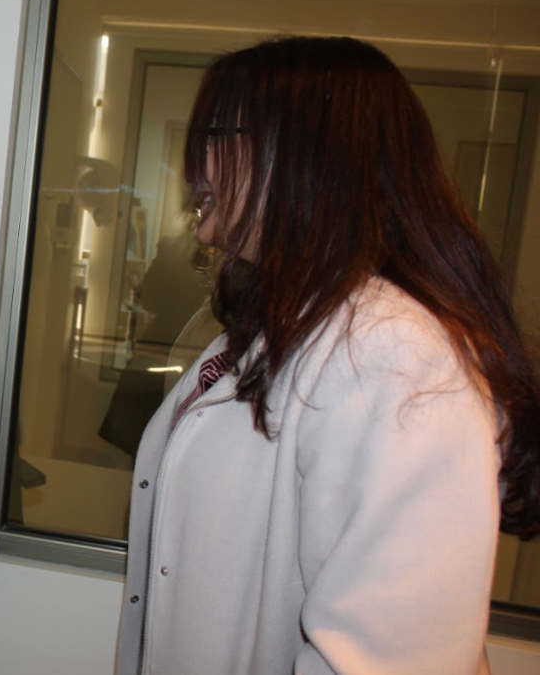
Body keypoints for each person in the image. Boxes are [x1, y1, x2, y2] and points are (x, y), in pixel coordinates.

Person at [116, 36, 540, 675]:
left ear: (305, 155)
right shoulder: (282, 327)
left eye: (216, 138)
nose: (195, 168)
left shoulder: (392, 355)